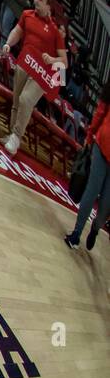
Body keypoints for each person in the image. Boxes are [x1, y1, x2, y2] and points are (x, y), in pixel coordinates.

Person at [0, 0, 66, 155]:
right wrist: (8, 43)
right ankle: (11, 135)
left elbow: (64, 62)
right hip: (24, 63)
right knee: (16, 102)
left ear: (48, 7)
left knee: (26, 100)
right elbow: (17, 31)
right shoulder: (26, 15)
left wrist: (52, 60)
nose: (36, 0)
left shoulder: (55, 32)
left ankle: (16, 137)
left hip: (42, 74)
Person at [64, 80, 110, 250]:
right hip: (102, 144)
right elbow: (100, 111)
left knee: (106, 204)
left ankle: (96, 228)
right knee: (92, 191)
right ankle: (76, 234)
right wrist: (90, 135)